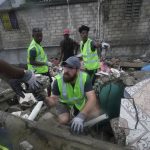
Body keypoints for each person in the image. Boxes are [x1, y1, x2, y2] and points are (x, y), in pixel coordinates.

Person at [46, 56, 100, 134]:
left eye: (70, 68)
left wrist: (82, 115)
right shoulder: (58, 81)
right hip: (64, 102)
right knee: (64, 119)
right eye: (65, 67)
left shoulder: (85, 78)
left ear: (78, 70)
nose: (66, 70)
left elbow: (92, 98)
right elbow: (54, 99)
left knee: (95, 113)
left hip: (79, 102)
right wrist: (45, 99)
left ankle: (85, 127)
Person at [27, 27, 52, 96]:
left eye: (41, 36)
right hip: (38, 72)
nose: (40, 38)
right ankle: (44, 100)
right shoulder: (33, 48)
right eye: (37, 36)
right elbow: (32, 62)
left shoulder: (38, 44)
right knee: (40, 88)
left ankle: (49, 98)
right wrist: (45, 63)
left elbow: (40, 57)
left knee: (49, 84)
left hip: (43, 70)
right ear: (33, 36)